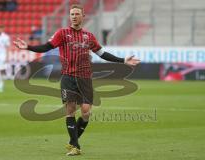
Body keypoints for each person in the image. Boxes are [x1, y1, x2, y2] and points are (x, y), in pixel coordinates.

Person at [14, 4, 140, 156]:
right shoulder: (62, 33)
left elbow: (102, 53)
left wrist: (123, 60)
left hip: (85, 77)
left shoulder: (89, 36)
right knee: (70, 110)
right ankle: (76, 146)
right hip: (68, 77)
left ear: (83, 16)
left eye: (76, 14)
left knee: (86, 112)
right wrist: (28, 47)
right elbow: (46, 46)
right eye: (71, 14)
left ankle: (73, 141)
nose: (73, 16)